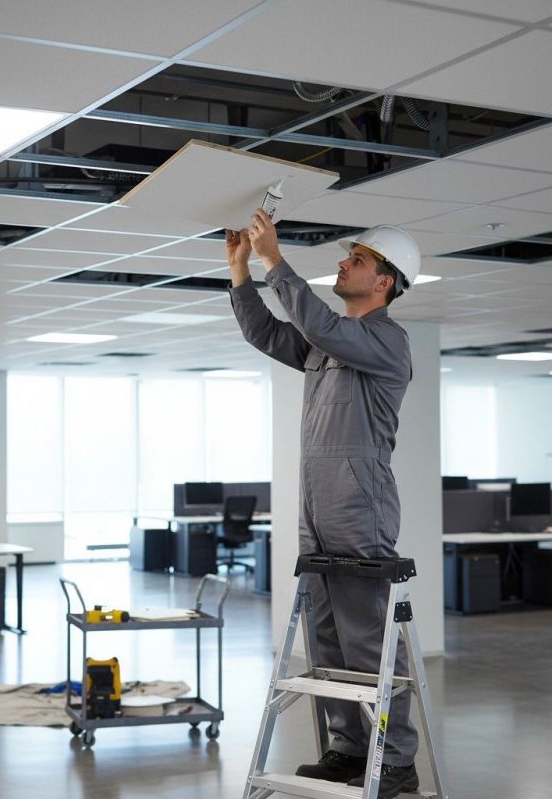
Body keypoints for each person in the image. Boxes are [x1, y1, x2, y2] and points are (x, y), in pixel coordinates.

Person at [226, 209, 421, 799]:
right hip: (316, 503)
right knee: (328, 640)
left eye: (356, 259)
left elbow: (321, 325)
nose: (343, 262)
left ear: (383, 281)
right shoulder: (327, 343)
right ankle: (348, 748)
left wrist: (274, 259)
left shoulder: (387, 340)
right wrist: (241, 272)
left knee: (367, 640)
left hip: (359, 504)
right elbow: (267, 334)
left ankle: (395, 759)